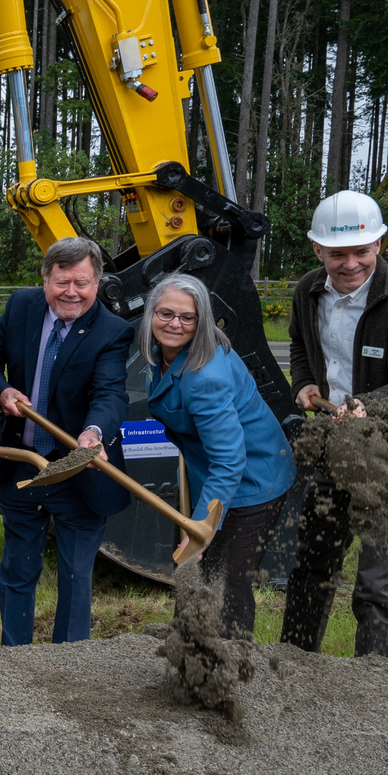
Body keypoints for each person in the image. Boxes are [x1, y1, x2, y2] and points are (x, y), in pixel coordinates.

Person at [282, 190, 388, 658]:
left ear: (379, 245)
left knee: (377, 583)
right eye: (337, 253)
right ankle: (295, 669)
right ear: (318, 250)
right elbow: (298, 342)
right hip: (334, 445)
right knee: (312, 565)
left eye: (360, 251)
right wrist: (307, 381)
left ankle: (374, 690)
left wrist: (366, 405)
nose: (349, 262)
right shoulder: (307, 290)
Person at [0, 236, 132, 646]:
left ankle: (68, 662)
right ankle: (15, 658)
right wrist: (2, 391)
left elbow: (111, 393)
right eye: (62, 282)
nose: (71, 293)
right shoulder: (22, 306)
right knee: (17, 570)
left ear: (97, 282)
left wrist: (93, 433)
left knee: (77, 577)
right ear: (45, 279)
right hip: (23, 465)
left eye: (82, 282)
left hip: (79, 471)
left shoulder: (113, 332)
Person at [139, 274, 295, 640]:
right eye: (166, 313)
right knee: (194, 569)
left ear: (201, 322)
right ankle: (187, 645)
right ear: (150, 315)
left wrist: (199, 530)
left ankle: (228, 670)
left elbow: (229, 460)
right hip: (214, 470)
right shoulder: (160, 354)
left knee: (226, 579)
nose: (174, 324)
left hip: (252, 479)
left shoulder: (205, 377)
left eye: (187, 317)